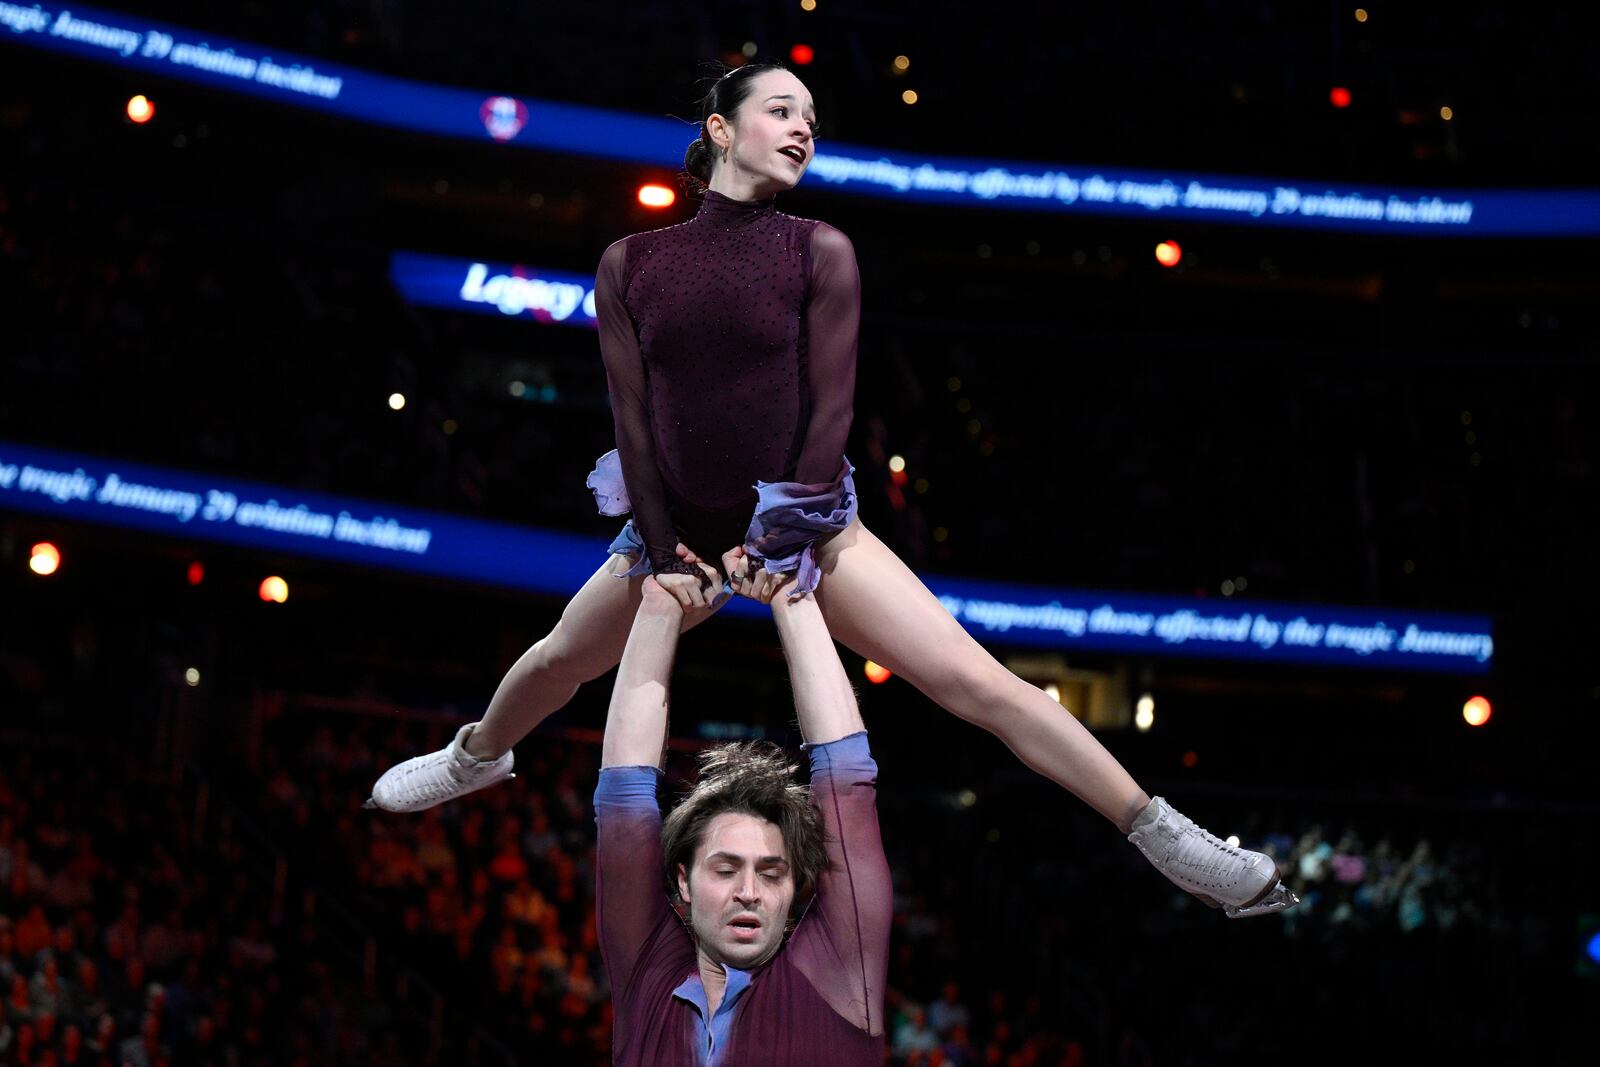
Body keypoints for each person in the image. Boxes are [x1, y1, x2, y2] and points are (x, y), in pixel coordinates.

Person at [368, 62, 1295, 919]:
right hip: (676, 529)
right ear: (720, 129)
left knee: (977, 681)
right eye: (781, 111)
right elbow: (634, 421)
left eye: (812, 119)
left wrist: (781, 536)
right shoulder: (630, 264)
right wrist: (660, 545)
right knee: (559, 660)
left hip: (807, 523)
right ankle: (476, 756)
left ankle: (1165, 835)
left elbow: (830, 414)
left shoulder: (822, 251)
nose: (804, 129)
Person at [592, 554, 888, 1064]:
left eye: (772, 874)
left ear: (796, 888)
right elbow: (623, 798)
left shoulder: (837, 977)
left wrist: (790, 595)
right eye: (725, 869)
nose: (748, 892)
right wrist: (660, 601)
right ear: (683, 882)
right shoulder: (648, 974)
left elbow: (846, 782)